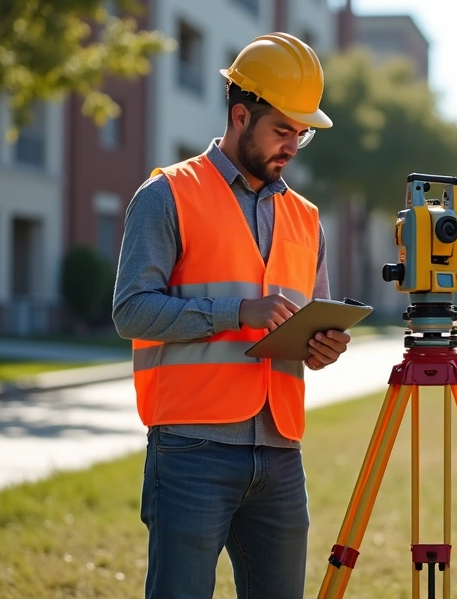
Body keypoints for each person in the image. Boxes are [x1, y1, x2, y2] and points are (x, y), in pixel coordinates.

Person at [112, 32, 351, 599]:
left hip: (279, 453)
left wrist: (321, 348)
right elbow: (131, 311)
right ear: (240, 116)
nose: (292, 146)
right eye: (281, 130)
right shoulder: (167, 194)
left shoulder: (307, 218)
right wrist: (237, 311)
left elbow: (303, 322)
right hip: (192, 451)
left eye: (303, 133)